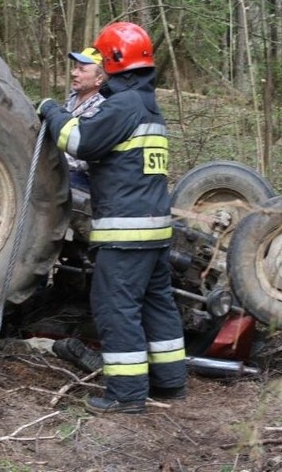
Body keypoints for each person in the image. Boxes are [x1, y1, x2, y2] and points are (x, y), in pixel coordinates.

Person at [38, 22, 187, 414]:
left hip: (126, 233)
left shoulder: (123, 106)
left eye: (103, 59)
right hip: (155, 230)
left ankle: (126, 394)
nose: (98, 65)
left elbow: (80, 141)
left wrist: (51, 111)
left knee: (115, 307)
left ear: (116, 61)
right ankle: (170, 382)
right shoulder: (150, 106)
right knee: (157, 305)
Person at [64, 47, 105, 191]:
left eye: (82, 70)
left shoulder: (101, 109)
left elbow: (85, 159)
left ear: (99, 79)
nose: (74, 73)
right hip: (60, 170)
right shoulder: (71, 99)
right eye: (75, 68)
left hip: (81, 179)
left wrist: (50, 161)